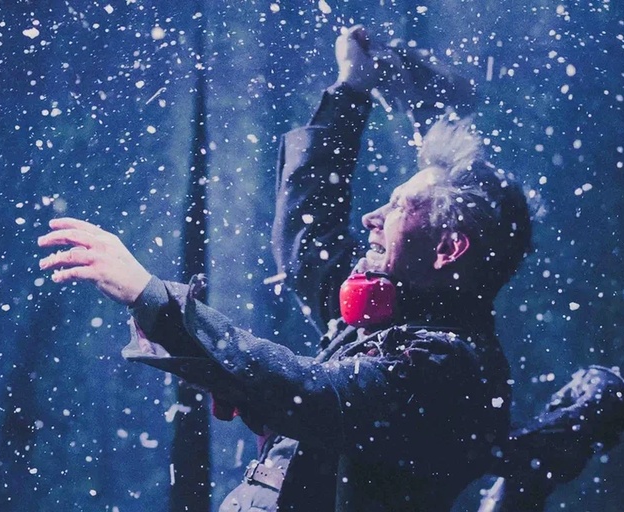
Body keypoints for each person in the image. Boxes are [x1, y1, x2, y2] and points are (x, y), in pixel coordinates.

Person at [38, 25, 532, 511]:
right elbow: (308, 240)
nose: (372, 217)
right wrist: (349, 92)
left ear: (448, 248)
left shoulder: (446, 365)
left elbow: (307, 391)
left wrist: (152, 297)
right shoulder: (395, 322)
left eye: (399, 206)